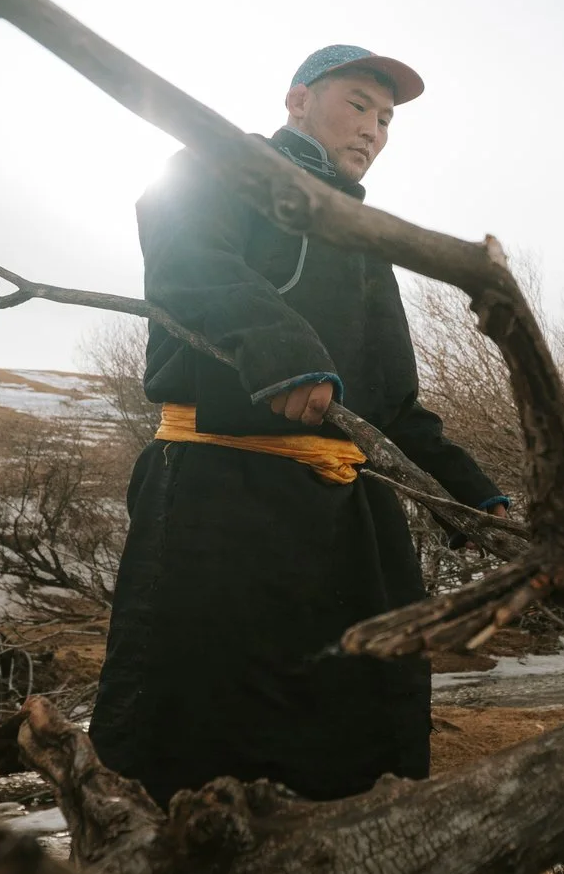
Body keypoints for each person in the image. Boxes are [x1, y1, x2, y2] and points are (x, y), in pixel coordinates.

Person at [89, 44, 509, 804]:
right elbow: (183, 247)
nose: (374, 128)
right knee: (196, 730)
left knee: (358, 723)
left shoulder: (358, 233)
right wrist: (282, 352)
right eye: (358, 103)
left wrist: (480, 502)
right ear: (297, 101)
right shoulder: (227, 164)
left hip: (345, 514)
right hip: (221, 494)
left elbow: (393, 404)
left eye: (385, 119)